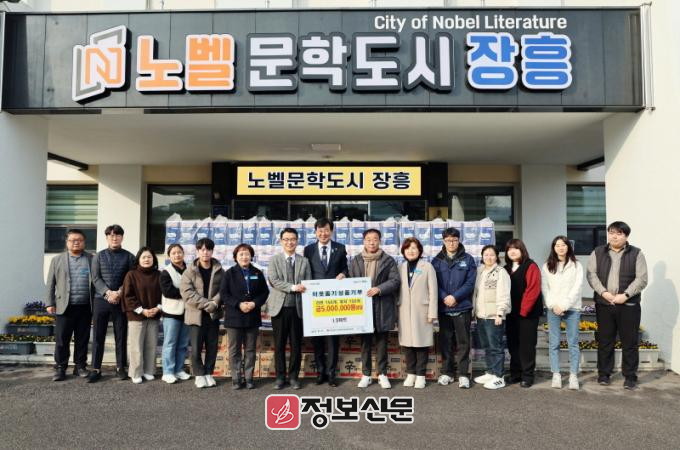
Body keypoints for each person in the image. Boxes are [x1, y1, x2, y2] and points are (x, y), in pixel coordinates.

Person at [587, 221, 648, 390]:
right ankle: (604, 374)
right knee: (605, 341)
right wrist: (604, 293)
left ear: (626, 236)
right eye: (611, 232)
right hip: (604, 304)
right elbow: (591, 275)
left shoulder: (636, 253)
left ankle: (630, 376)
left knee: (630, 342)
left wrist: (625, 295)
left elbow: (642, 278)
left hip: (629, 305)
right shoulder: (597, 252)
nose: (614, 236)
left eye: (619, 233)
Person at [349, 228, 400, 389]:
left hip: (382, 306)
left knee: (382, 343)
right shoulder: (356, 260)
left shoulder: (388, 260)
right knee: (365, 343)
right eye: (368, 239)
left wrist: (379, 289)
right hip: (363, 308)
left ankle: (382, 374)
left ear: (380, 241)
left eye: (375, 239)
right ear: (364, 241)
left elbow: (395, 281)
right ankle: (366, 374)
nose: (372, 242)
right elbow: (351, 280)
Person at [303, 218, 348, 387]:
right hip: (315, 301)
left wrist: (343, 274)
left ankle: (331, 374)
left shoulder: (340, 248)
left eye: (326, 230)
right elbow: (305, 271)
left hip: (333, 302)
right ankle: (320, 372)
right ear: (315, 232)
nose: (323, 233)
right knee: (317, 339)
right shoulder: (308, 250)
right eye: (320, 230)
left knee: (333, 340)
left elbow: (345, 268)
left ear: (332, 231)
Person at [88, 224, 135, 383]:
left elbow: (130, 278)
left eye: (117, 235)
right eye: (111, 235)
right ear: (107, 237)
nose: (114, 238)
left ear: (122, 237)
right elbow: (96, 278)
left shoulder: (129, 257)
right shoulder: (98, 256)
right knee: (98, 335)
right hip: (101, 300)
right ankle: (96, 368)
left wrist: (119, 293)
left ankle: (120, 367)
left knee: (121, 335)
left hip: (120, 301)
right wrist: (108, 293)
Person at [45, 229, 94, 382]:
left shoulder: (92, 259)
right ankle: (60, 367)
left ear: (84, 242)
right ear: (67, 242)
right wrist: (49, 303)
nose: (76, 242)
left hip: (85, 306)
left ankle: (80, 366)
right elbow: (50, 283)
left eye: (79, 240)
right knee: (62, 340)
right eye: (73, 240)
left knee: (82, 339)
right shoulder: (57, 260)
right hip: (64, 306)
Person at [266, 228, 311, 390]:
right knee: (279, 345)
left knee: (296, 345)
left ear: (297, 241)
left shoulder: (304, 261)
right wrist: (293, 287)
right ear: (281, 241)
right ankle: (280, 377)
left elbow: (308, 282)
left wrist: (304, 287)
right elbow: (274, 280)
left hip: (297, 309)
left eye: (292, 239)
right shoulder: (274, 260)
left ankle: (293, 377)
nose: (289, 242)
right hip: (279, 309)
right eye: (286, 239)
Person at [431, 227, 477, 389]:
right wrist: (445, 297)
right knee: (446, 342)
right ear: (443, 241)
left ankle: (463, 374)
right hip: (444, 308)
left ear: (459, 240)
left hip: (462, 307)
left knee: (463, 342)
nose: (451, 243)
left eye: (454, 240)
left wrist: (455, 297)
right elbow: (433, 283)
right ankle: (447, 373)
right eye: (448, 240)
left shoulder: (468, 259)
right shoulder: (436, 261)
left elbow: (470, 283)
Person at [220, 244, 269, 390]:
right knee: (234, 350)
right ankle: (236, 379)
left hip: (252, 316)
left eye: (247, 254)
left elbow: (264, 292)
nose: (244, 257)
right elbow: (224, 294)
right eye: (241, 254)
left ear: (251, 256)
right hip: (234, 317)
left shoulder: (257, 273)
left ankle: (249, 378)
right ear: (235, 257)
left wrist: (254, 303)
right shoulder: (229, 273)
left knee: (250, 349)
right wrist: (238, 304)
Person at [180, 238, 224, 389]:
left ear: (212, 251)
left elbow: (223, 290)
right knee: (196, 347)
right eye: (202, 249)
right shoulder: (189, 271)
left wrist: (215, 303)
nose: (205, 252)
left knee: (212, 346)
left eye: (208, 249)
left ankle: (208, 373)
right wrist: (208, 304)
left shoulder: (219, 270)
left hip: (213, 315)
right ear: (197, 251)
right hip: (196, 315)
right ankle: (199, 375)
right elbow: (187, 293)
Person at [542, 236, 583, 390]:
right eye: (557, 245)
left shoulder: (576, 265)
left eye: (563, 245)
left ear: (568, 247)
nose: (560, 248)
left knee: (573, 343)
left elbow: (577, 287)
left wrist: (564, 305)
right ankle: (556, 374)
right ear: (553, 248)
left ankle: (573, 375)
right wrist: (553, 305)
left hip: (572, 308)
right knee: (554, 343)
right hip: (553, 309)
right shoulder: (547, 266)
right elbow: (545, 288)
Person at [397, 237, 438, 389]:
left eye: (414, 248)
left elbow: (433, 291)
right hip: (404, 311)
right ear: (403, 251)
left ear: (420, 250)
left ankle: (421, 375)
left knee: (421, 344)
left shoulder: (427, 266)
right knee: (407, 345)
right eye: (408, 248)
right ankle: (411, 374)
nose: (411, 251)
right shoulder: (400, 267)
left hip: (422, 311)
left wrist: (432, 313)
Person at [504, 239, 543, 388]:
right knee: (513, 344)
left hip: (528, 314)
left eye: (516, 248)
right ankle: (515, 374)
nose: (512, 251)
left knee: (527, 345)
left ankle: (527, 376)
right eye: (509, 249)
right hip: (511, 313)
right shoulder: (506, 269)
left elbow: (533, 289)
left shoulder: (530, 266)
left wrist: (523, 311)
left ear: (522, 250)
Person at [472, 245, 511, 390]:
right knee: (487, 346)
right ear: (482, 257)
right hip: (481, 315)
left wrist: (500, 313)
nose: (489, 257)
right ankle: (490, 372)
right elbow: (476, 294)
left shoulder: (501, 272)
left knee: (496, 347)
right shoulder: (480, 271)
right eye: (486, 255)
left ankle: (499, 377)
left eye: (492, 255)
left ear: (497, 257)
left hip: (494, 316)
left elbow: (504, 294)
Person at [122, 247, 162, 384]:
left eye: (149, 257)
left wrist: (158, 308)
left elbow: (164, 294)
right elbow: (128, 296)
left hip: (154, 314)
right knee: (136, 346)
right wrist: (142, 310)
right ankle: (136, 372)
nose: (146, 259)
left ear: (153, 259)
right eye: (144, 257)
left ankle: (149, 370)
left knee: (151, 345)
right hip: (136, 316)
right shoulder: (131, 275)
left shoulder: (159, 275)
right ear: (138, 259)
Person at [159, 244, 191, 384]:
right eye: (173, 253)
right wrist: (187, 293)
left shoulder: (190, 270)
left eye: (179, 252)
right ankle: (167, 372)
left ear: (183, 254)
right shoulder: (166, 272)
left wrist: (187, 293)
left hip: (187, 312)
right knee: (170, 343)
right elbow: (168, 292)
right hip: (172, 313)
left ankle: (179, 369)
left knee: (183, 344)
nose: (177, 255)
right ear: (169, 256)